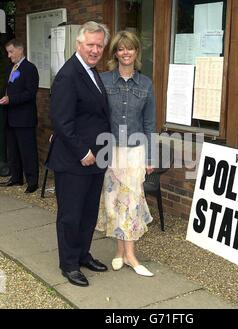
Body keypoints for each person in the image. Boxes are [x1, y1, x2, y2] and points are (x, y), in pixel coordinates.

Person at [46, 22, 111, 287]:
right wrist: (83, 151)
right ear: (78, 44)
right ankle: (69, 264)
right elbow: (62, 121)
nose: (95, 50)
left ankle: (83, 254)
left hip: (95, 160)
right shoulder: (68, 75)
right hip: (75, 161)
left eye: (99, 45)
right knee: (70, 215)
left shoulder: (92, 72)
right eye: (90, 45)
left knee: (88, 213)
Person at [97, 30, 156, 277]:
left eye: (129, 48)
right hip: (110, 151)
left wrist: (151, 157)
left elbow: (150, 124)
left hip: (135, 152)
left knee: (131, 204)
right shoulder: (104, 80)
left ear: (136, 52)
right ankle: (120, 252)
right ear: (115, 53)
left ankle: (131, 255)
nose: (125, 53)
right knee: (114, 204)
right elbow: (96, 117)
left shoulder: (145, 84)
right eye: (120, 49)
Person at [0, 39, 39, 193]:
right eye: (8, 52)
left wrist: (11, 99)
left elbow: (30, 93)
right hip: (11, 117)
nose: (9, 56)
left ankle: (32, 182)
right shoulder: (13, 68)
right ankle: (16, 177)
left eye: (11, 52)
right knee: (13, 150)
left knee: (27, 151)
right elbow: (10, 88)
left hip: (24, 118)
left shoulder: (29, 68)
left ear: (20, 50)